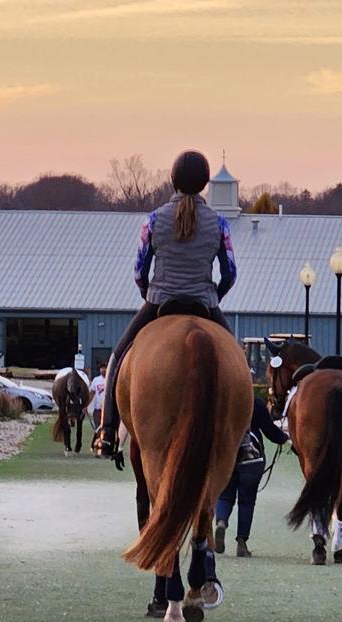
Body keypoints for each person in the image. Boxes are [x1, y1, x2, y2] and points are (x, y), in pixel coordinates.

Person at [93, 149, 237, 464]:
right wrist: (214, 296)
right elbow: (230, 273)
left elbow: (138, 271)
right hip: (204, 303)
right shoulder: (220, 223)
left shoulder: (154, 220)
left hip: (159, 302)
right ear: (203, 185)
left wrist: (150, 293)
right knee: (236, 362)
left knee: (118, 356)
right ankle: (245, 441)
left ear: (173, 180)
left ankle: (106, 432)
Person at [214, 395, 289, 557]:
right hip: (252, 459)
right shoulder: (255, 402)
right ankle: (242, 542)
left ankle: (221, 521)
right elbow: (270, 430)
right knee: (247, 501)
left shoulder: (221, 399)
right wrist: (284, 438)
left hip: (226, 455)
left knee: (224, 495)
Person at [90, 362, 107, 429]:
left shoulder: (111, 379)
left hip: (107, 410)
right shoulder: (96, 380)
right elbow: (92, 393)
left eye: (105, 368)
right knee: (98, 429)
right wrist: (86, 405)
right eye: (102, 368)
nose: (103, 370)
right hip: (97, 409)